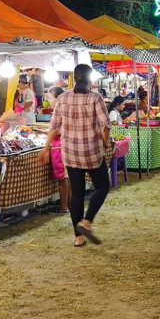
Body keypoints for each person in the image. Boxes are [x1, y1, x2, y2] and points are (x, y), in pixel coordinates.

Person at [40, 64, 111, 247]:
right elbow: (105, 125)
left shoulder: (63, 98)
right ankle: (86, 222)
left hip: (70, 152)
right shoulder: (95, 98)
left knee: (77, 193)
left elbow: (54, 126)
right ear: (90, 79)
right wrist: (105, 142)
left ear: (74, 77)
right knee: (102, 187)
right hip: (91, 152)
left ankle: (78, 237)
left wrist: (46, 147)